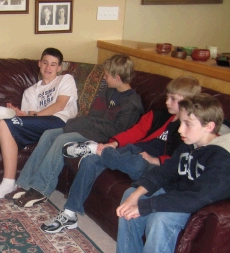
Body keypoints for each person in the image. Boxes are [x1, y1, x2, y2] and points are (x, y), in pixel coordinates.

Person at [100, 94, 230, 253]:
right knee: (128, 196)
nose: (180, 130)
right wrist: (137, 194)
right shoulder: (190, 143)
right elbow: (165, 172)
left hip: (195, 204)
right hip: (176, 193)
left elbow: (198, 198)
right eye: (181, 123)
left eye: (187, 124)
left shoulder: (222, 159)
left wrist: (146, 207)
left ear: (209, 126)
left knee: (160, 219)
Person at [42, 76, 201, 233]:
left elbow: (179, 160)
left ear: (188, 101)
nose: (167, 102)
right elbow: (135, 132)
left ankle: (97, 149)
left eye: (173, 99)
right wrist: (114, 143)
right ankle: (69, 214)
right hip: (130, 151)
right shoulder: (158, 115)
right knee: (90, 160)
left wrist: (155, 160)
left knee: (137, 163)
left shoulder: (190, 129)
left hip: (151, 164)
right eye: (167, 97)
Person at [4, 54, 144, 207]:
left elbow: (116, 132)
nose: (104, 78)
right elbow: (94, 115)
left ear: (117, 78)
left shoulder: (132, 103)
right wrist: (79, 123)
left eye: (107, 75)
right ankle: (24, 184)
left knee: (62, 140)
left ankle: (40, 189)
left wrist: (82, 125)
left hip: (104, 137)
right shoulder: (109, 89)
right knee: (49, 133)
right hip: (90, 128)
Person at [0, 47, 78, 200]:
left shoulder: (65, 79)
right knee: (4, 124)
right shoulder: (30, 91)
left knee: (7, 123)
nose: (48, 67)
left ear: (59, 68)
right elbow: (33, 115)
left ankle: (7, 184)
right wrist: (23, 116)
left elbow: (60, 105)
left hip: (62, 121)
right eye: (45, 62)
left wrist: (32, 116)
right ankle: (8, 183)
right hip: (42, 124)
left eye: (53, 64)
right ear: (39, 63)